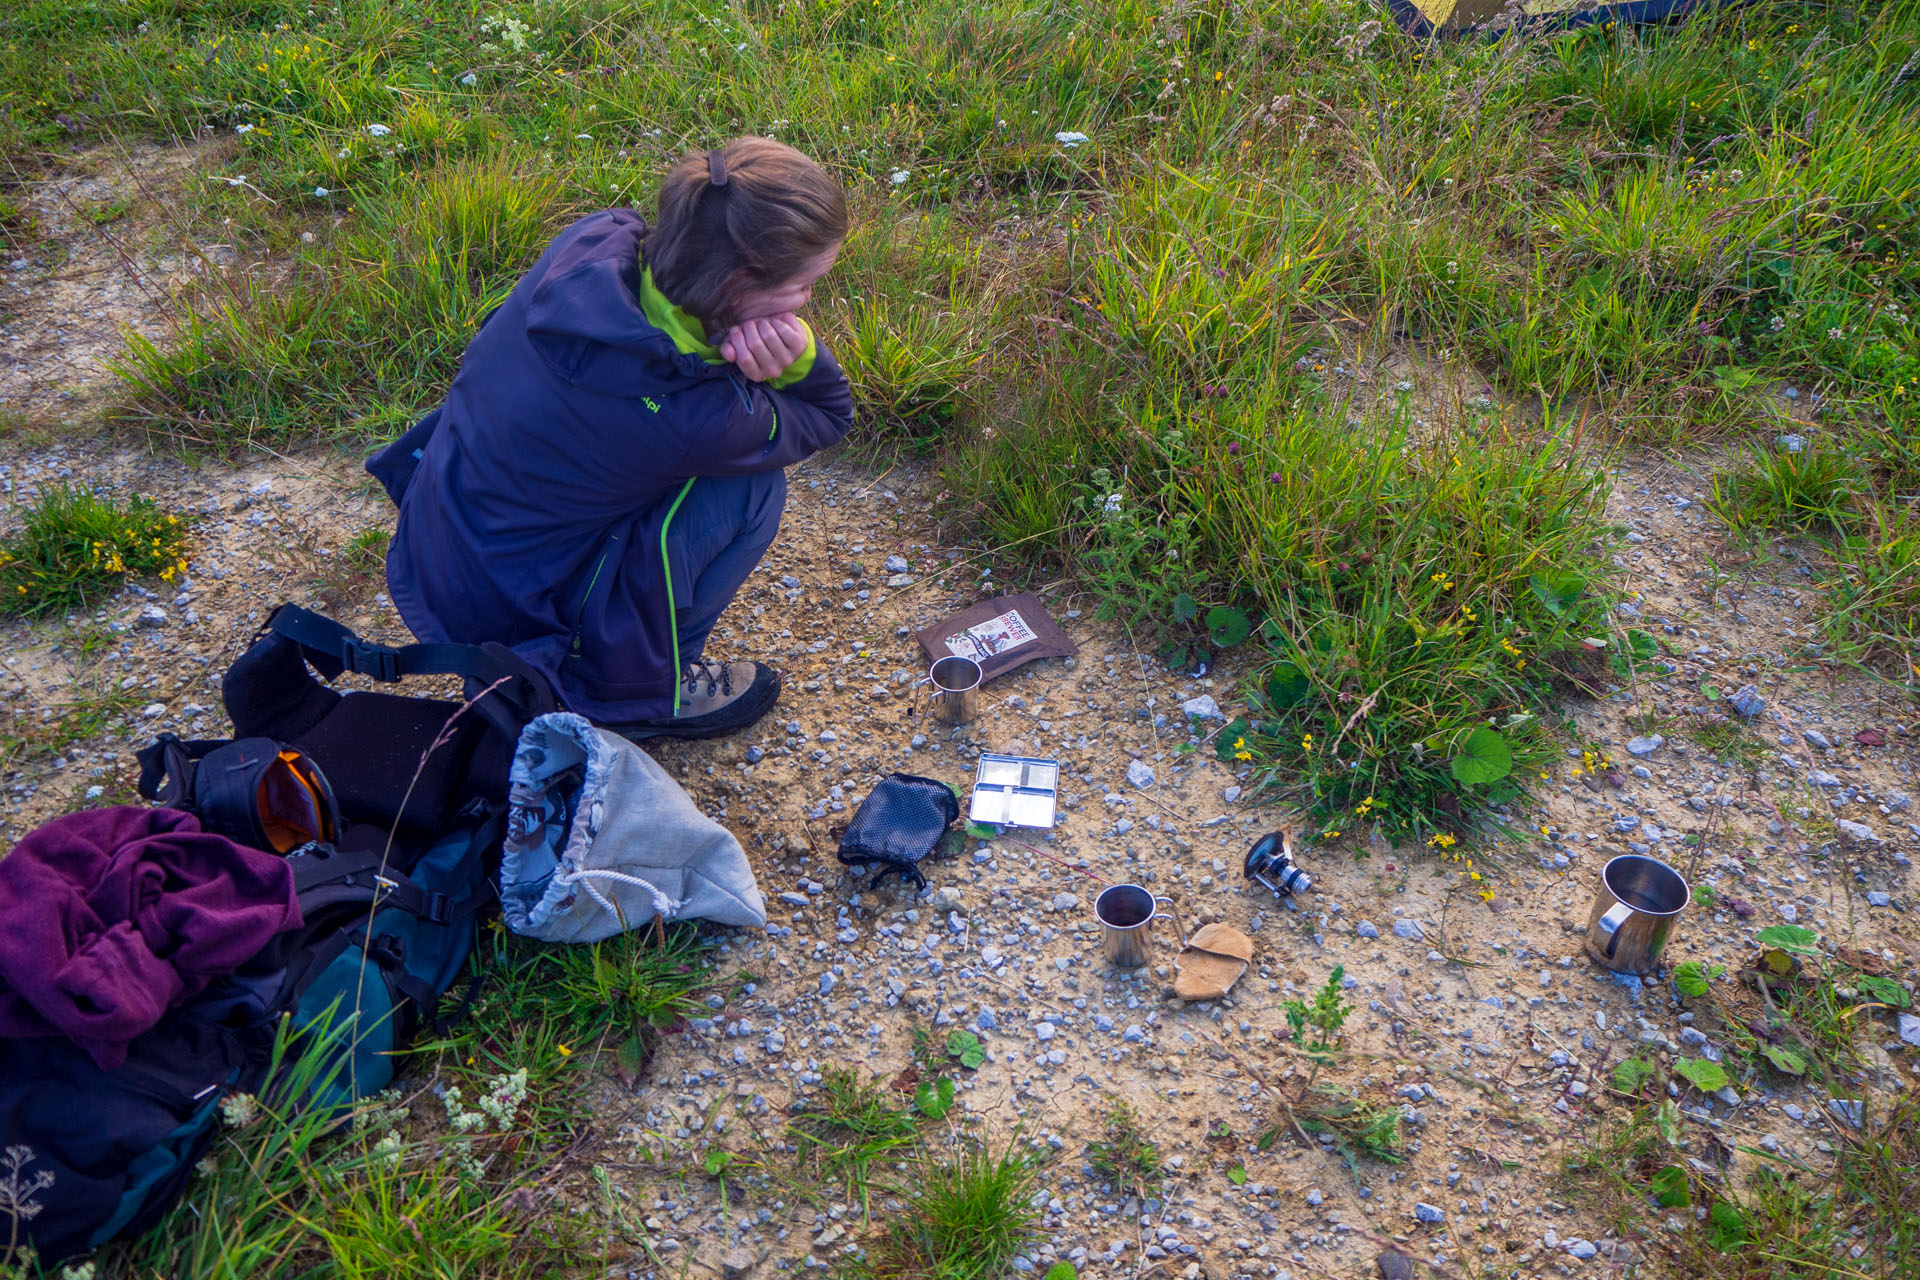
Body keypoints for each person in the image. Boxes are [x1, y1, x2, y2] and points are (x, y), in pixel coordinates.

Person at [366, 137, 852, 739]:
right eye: (803, 287)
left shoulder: (595, 240)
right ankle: (624, 694)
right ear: (737, 283)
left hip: (441, 552)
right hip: (508, 619)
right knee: (751, 487)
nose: (807, 303)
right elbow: (830, 416)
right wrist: (800, 360)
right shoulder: (692, 414)